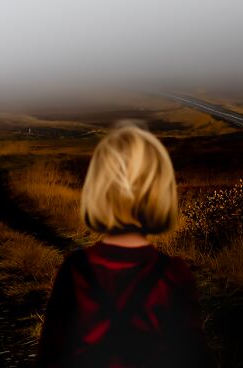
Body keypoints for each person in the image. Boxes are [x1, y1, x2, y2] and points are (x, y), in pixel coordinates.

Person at [36, 121, 213, 367]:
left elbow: (50, 358)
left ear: (98, 189)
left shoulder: (74, 271)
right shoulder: (174, 275)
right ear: (160, 191)